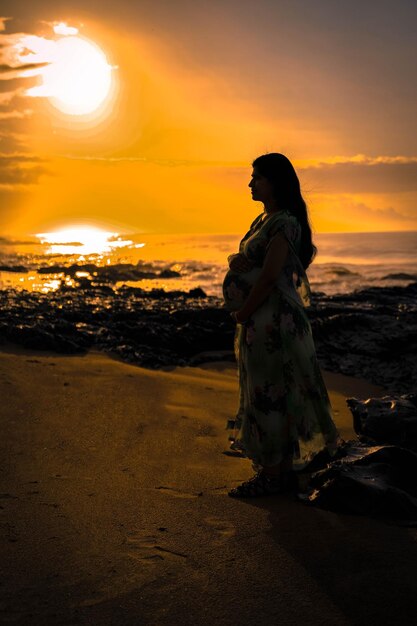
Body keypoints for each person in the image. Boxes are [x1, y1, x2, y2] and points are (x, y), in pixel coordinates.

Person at [222, 153, 339, 497]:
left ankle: (273, 475)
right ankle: (279, 470)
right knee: (268, 392)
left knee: (272, 395)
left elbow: (272, 275)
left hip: (275, 324)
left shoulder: (285, 221)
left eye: (257, 177)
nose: (250, 183)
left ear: (275, 182)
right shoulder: (264, 220)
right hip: (262, 321)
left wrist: (243, 313)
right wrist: (238, 262)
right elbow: (255, 263)